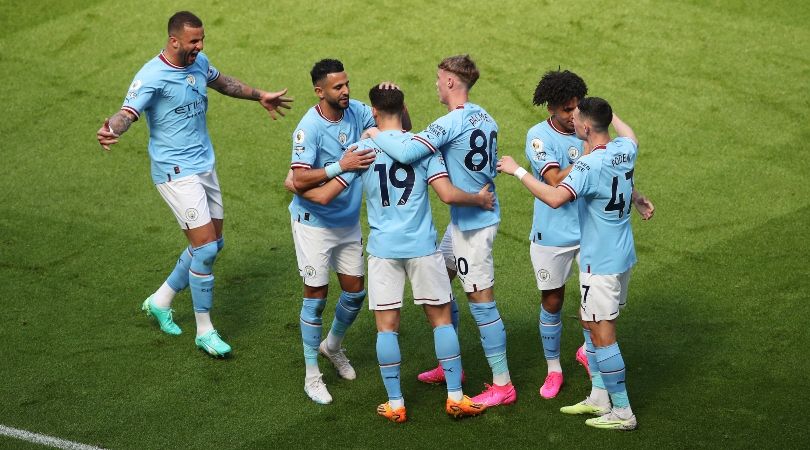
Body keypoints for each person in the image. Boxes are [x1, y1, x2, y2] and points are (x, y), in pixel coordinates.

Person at [95, 11, 292, 357]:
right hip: (174, 171)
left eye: (201, 40)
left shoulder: (198, 63)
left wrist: (259, 94)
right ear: (174, 41)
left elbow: (223, 82)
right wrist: (111, 129)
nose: (199, 47)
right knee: (204, 248)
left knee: (215, 243)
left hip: (204, 165)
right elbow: (127, 113)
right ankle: (205, 330)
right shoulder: (151, 76)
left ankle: (160, 300)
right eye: (193, 42)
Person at [301, 85, 494, 421]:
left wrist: (300, 184)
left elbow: (326, 195)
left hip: (383, 251)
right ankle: (455, 396)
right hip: (422, 247)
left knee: (386, 328)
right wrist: (478, 199)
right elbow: (447, 193)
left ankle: (396, 404)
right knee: (442, 321)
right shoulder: (423, 146)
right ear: (403, 107)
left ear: (373, 111)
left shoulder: (361, 149)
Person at [367, 55, 516, 408]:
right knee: (439, 288)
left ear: (451, 82)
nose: (435, 84)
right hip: (463, 221)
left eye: (438, 79)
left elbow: (405, 150)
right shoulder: (485, 116)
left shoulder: (451, 121)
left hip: (474, 226)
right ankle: (452, 368)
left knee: (481, 302)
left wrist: (374, 131)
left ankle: (502, 384)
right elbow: (415, 141)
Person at [498, 97, 645, 430]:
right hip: (623, 257)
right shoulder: (625, 149)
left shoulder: (588, 166)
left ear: (587, 128)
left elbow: (553, 197)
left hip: (599, 264)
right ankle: (599, 397)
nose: (573, 121)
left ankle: (623, 412)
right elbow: (630, 134)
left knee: (603, 334)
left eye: (578, 118)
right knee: (591, 324)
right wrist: (609, 112)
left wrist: (516, 170)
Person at [287, 59, 410, 404]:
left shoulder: (357, 111)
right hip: (313, 224)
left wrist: (396, 101)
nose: (345, 91)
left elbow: (399, 129)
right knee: (316, 296)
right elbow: (298, 177)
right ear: (319, 91)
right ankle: (312, 376)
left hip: (347, 222)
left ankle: (333, 346)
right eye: (337, 87)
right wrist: (340, 165)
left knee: (355, 293)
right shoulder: (308, 128)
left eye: (346, 84)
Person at [525, 70, 654, 399]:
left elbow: (608, 175)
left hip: (590, 238)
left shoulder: (590, 134)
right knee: (552, 301)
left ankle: (595, 374)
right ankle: (553, 368)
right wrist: (592, 157)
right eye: (566, 109)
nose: (572, 115)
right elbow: (554, 181)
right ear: (551, 108)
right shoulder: (539, 136)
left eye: (576, 107)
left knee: (591, 312)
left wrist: (635, 195)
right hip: (553, 234)